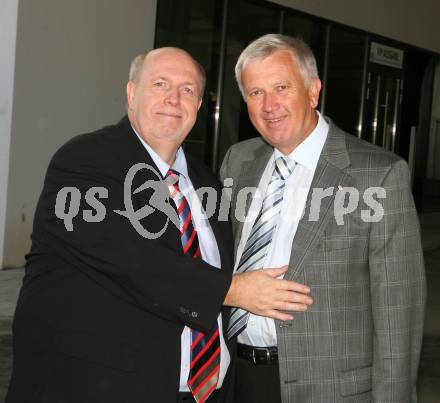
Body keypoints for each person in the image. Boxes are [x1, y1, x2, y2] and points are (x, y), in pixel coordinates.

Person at [6, 47, 313, 403]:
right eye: (160, 84)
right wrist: (234, 290)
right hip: (97, 388)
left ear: (198, 106)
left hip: (201, 392)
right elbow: (129, 258)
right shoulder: (85, 161)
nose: (173, 98)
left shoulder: (206, 182)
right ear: (132, 94)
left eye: (187, 90)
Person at [220, 34, 426, 403]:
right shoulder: (239, 161)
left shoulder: (377, 174)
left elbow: (399, 312)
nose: (269, 105)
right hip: (237, 378)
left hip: (331, 390)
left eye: (282, 87)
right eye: (255, 93)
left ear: (313, 91)